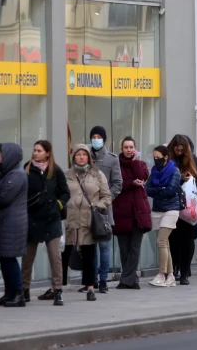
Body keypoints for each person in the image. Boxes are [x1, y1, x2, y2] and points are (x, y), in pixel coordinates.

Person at [21, 140, 70, 306]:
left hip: (51, 219)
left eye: (39, 151)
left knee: (55, 257)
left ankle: (57, 291)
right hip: (32, 219)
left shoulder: (55, 170)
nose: (35, 153)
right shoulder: (27, 169)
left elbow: (65, 192)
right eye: (34, 150)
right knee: (28, 257)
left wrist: (58, 205)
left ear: (47, 153)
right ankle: (24, 290)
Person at [62, 144, 112, 302]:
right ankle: (59, 287)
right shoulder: (66, 175)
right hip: (70, 220)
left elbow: (107, 196)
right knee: (65, 254)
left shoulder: (97, 174)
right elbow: (61, 195)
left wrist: (98, 206)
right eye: (78, 154)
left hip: (89, 220)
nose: (81, 157)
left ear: (89, 157)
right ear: (73, 157)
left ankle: (90, 287)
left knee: (89, 254)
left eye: (84, 154)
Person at [0, 143, 29, 308]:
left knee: (9, 259)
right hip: (4, 222)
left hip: (11, 223)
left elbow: (4, 197)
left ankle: (18, 294)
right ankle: (9, 293)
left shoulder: (16, 175)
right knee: (4, 259)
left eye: (1, 154)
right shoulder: (7, 173)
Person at [113, 137, 151, 290]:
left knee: (135, 247)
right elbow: (117, 184)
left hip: (138, 213)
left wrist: (135, 161)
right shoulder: (116, 165)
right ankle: (132, 279)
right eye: (126, 147)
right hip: (122, 213)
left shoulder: (141, 164)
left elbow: (142, 177)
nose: (128, 150)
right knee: (124, 248)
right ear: (121, 149)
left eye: (131, 147)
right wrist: (130, 184)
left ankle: (125, 280)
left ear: (135, 149)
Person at [87, 126, 121, 294]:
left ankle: (103, 281)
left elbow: (117, 184)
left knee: (104, 246)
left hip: (103, 210)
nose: (96, 139)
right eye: (93, 136)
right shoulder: (84, 157)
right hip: (86, 209)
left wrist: (106, 200)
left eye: (99, 136)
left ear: (104, 139)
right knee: (89, 246)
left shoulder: (111, 159)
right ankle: (90, 281)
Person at [145, 145, 181, 287]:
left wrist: (157, 190)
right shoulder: (154, 171)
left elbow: (171, 190)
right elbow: (147, 189)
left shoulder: (175, 170)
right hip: (157, 209)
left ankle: (161, 274)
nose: (156, 160)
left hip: (171, 209)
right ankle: (171, 276)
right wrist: (161, 189)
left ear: (166, 157)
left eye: (158, 158)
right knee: (164, 243)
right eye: (154, 158)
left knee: (161, 241)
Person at [167, 135, 197, 285]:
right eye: (177, 150)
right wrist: (180, 177)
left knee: (187, 240)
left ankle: (185, 272)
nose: (179, 152)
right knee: (173, 240)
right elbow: (164, 179)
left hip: (189, 208)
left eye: (182, 150)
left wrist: (193, 178)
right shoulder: (169, 161)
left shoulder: (193, 160)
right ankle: (175, 268)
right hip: (173, 205)